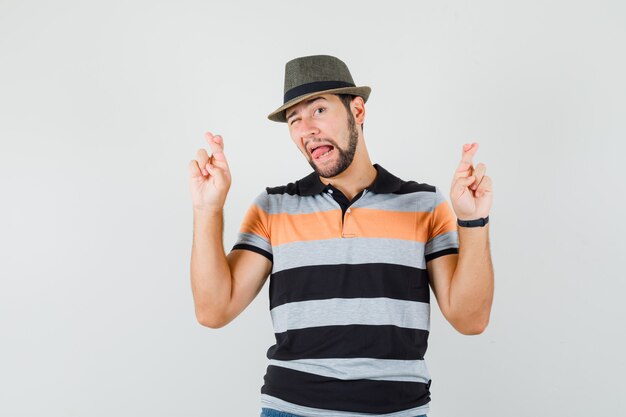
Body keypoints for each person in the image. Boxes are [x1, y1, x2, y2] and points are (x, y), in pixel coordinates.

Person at [189, 55, 494, 417]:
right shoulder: (274, 206)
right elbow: (213, 310)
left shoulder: (423, 204)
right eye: (294, 119)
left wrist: (472, 221)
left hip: (396, 411)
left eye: (318, 110)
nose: (306, 129)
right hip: (292, 409)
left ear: (358, 111)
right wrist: (207, 210)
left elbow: (470, 319)